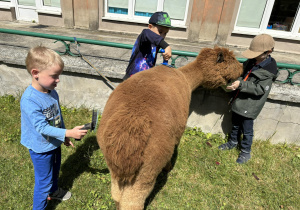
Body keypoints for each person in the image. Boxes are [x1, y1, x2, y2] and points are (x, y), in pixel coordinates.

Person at [20, 46, 88, 210]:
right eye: (54, 76)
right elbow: (42, 127)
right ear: (35, 73)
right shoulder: (30, 100)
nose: (58, 80)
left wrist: (64, 136)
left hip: (53, 143)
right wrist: (69, 132)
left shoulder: (51, 92)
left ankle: (54, 190)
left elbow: (57, 117)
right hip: (40, 149)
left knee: (55, 170)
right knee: (43, 182)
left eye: (59, 75)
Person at [218, 34, 278, 164]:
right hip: (239, 100)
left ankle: (245, 152)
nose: (254, 56)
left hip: (250, 105)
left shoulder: (268, 71)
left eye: (257, 54)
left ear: (268, 52)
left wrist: (242, 85)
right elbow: (242, 74)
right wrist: (237, 82)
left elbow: (260, 89)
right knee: (235, 123)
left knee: (247, 130)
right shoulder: (252, 61)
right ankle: (233, 142)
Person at [124, 11, 172, 79]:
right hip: (132, 78)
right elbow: (147, 34)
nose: (162, 36)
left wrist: (166, 57)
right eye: (160, 32)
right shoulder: (144, 35)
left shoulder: (157, 42)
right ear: (150, 27)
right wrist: (167, 46)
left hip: (145, 78)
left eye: (165, 33)